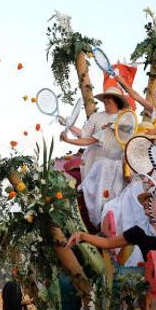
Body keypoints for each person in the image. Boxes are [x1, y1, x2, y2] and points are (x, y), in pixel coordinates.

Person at [61, 87, 131, 227]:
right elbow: (85, 137)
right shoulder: (96, 117)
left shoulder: (125, 120)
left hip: (114, 165)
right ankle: (97, 224)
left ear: (116, 101)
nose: (106, 102)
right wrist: (69, 127)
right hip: (94, 162)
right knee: (93, 194)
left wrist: (115, 126)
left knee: (111, 197)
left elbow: (131, 137)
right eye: (105, 99)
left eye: (109, 99)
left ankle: (106, 226)